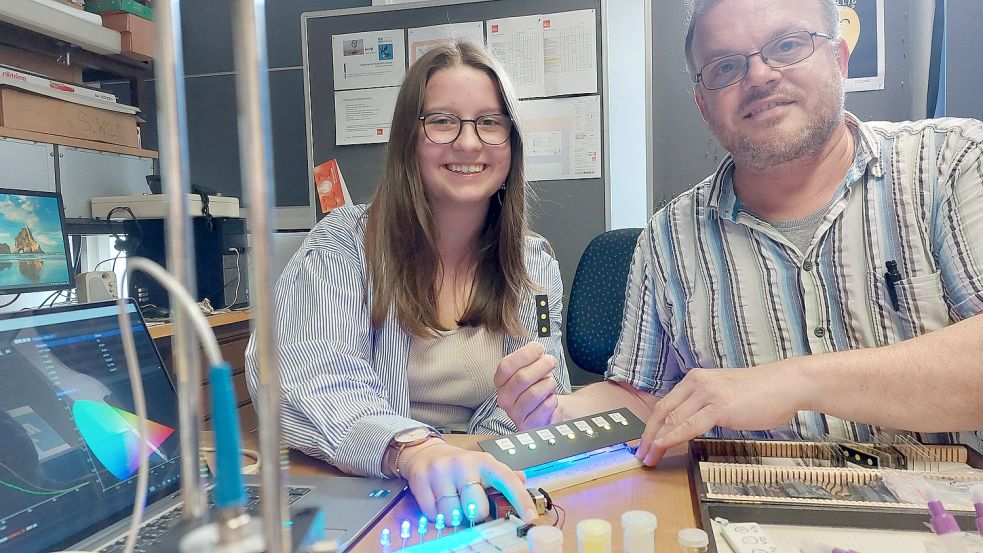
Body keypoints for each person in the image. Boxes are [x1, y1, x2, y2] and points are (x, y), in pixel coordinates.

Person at [496, 0, 983, 465]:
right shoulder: (669, 238)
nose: (760, 76)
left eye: (788, 45)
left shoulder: (950, 164)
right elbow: (643, 398)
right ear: (703, 102)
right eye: (725, 67)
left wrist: (795, 382)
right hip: (739, 512)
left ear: (839, 59)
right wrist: (558, 416)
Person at [245, 41, 570, 521]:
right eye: (442, 121)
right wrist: (414, 450)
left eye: (490, 121)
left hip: (486, 485)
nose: (468, 142)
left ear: (511, 141)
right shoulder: (342, 246)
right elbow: (298, 376)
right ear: (408, 140)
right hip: (369, 484)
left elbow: (548, 386)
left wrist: (517, 421)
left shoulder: (533, 263)